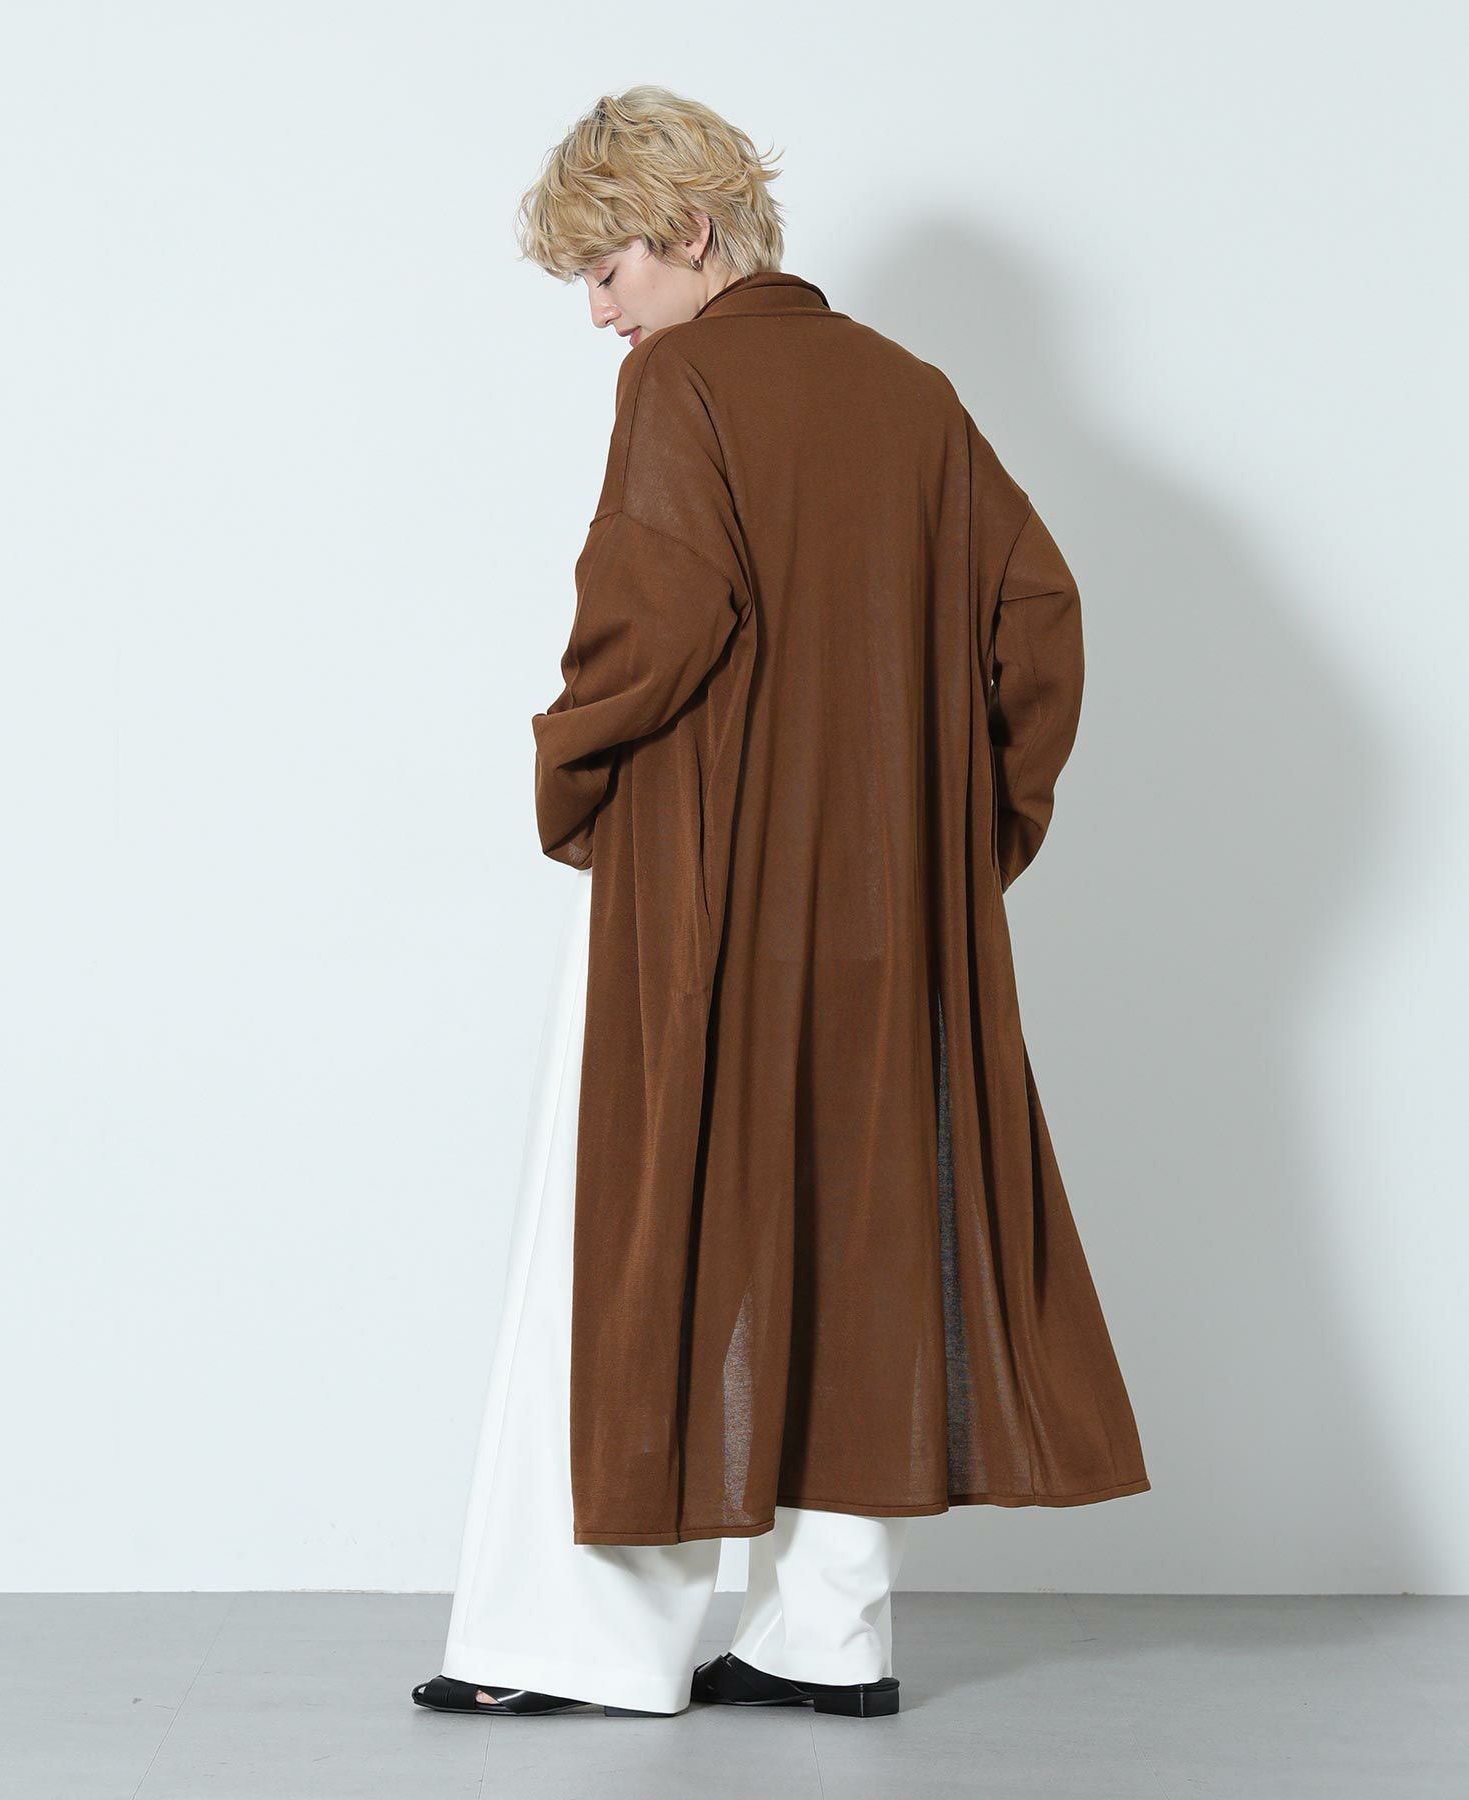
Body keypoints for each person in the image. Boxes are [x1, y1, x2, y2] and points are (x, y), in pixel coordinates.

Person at [412, 85, 1149, 1724]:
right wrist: (969, 835)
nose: (597, 313)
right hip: (886, 902)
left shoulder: (687, 381)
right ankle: (829, 1636)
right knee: (857, 1227)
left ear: (689, 231)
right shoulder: (912, 390)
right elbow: (1039, 614)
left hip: (702, 885)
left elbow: (649, 626)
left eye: (606, 269)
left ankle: (581, 1645)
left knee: (639, 1229)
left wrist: (564, 767)